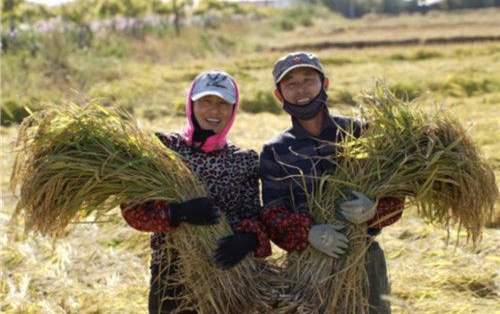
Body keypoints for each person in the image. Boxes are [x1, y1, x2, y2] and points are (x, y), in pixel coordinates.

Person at [259, 52, 404, 313]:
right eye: (290, 84)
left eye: (308, 79)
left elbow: (395, 197)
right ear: (279, 95)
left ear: (324, 84)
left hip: (364, 258)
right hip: (308, 264)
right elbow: (272, 214)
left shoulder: (361, 133)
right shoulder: (276, 150)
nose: (301, 89)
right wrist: (308, 233)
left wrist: (374, 211)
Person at [120, 70, 271, 314]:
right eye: (206, 102)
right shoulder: (165, 149)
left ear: (233, 110)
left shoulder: (244, 160)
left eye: (223, 104)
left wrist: (248, 240)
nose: (214, 111)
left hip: (228, 275)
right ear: (191, 104)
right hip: (173, 275)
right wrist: (178, 212)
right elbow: (133, 210)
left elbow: (255, 218)